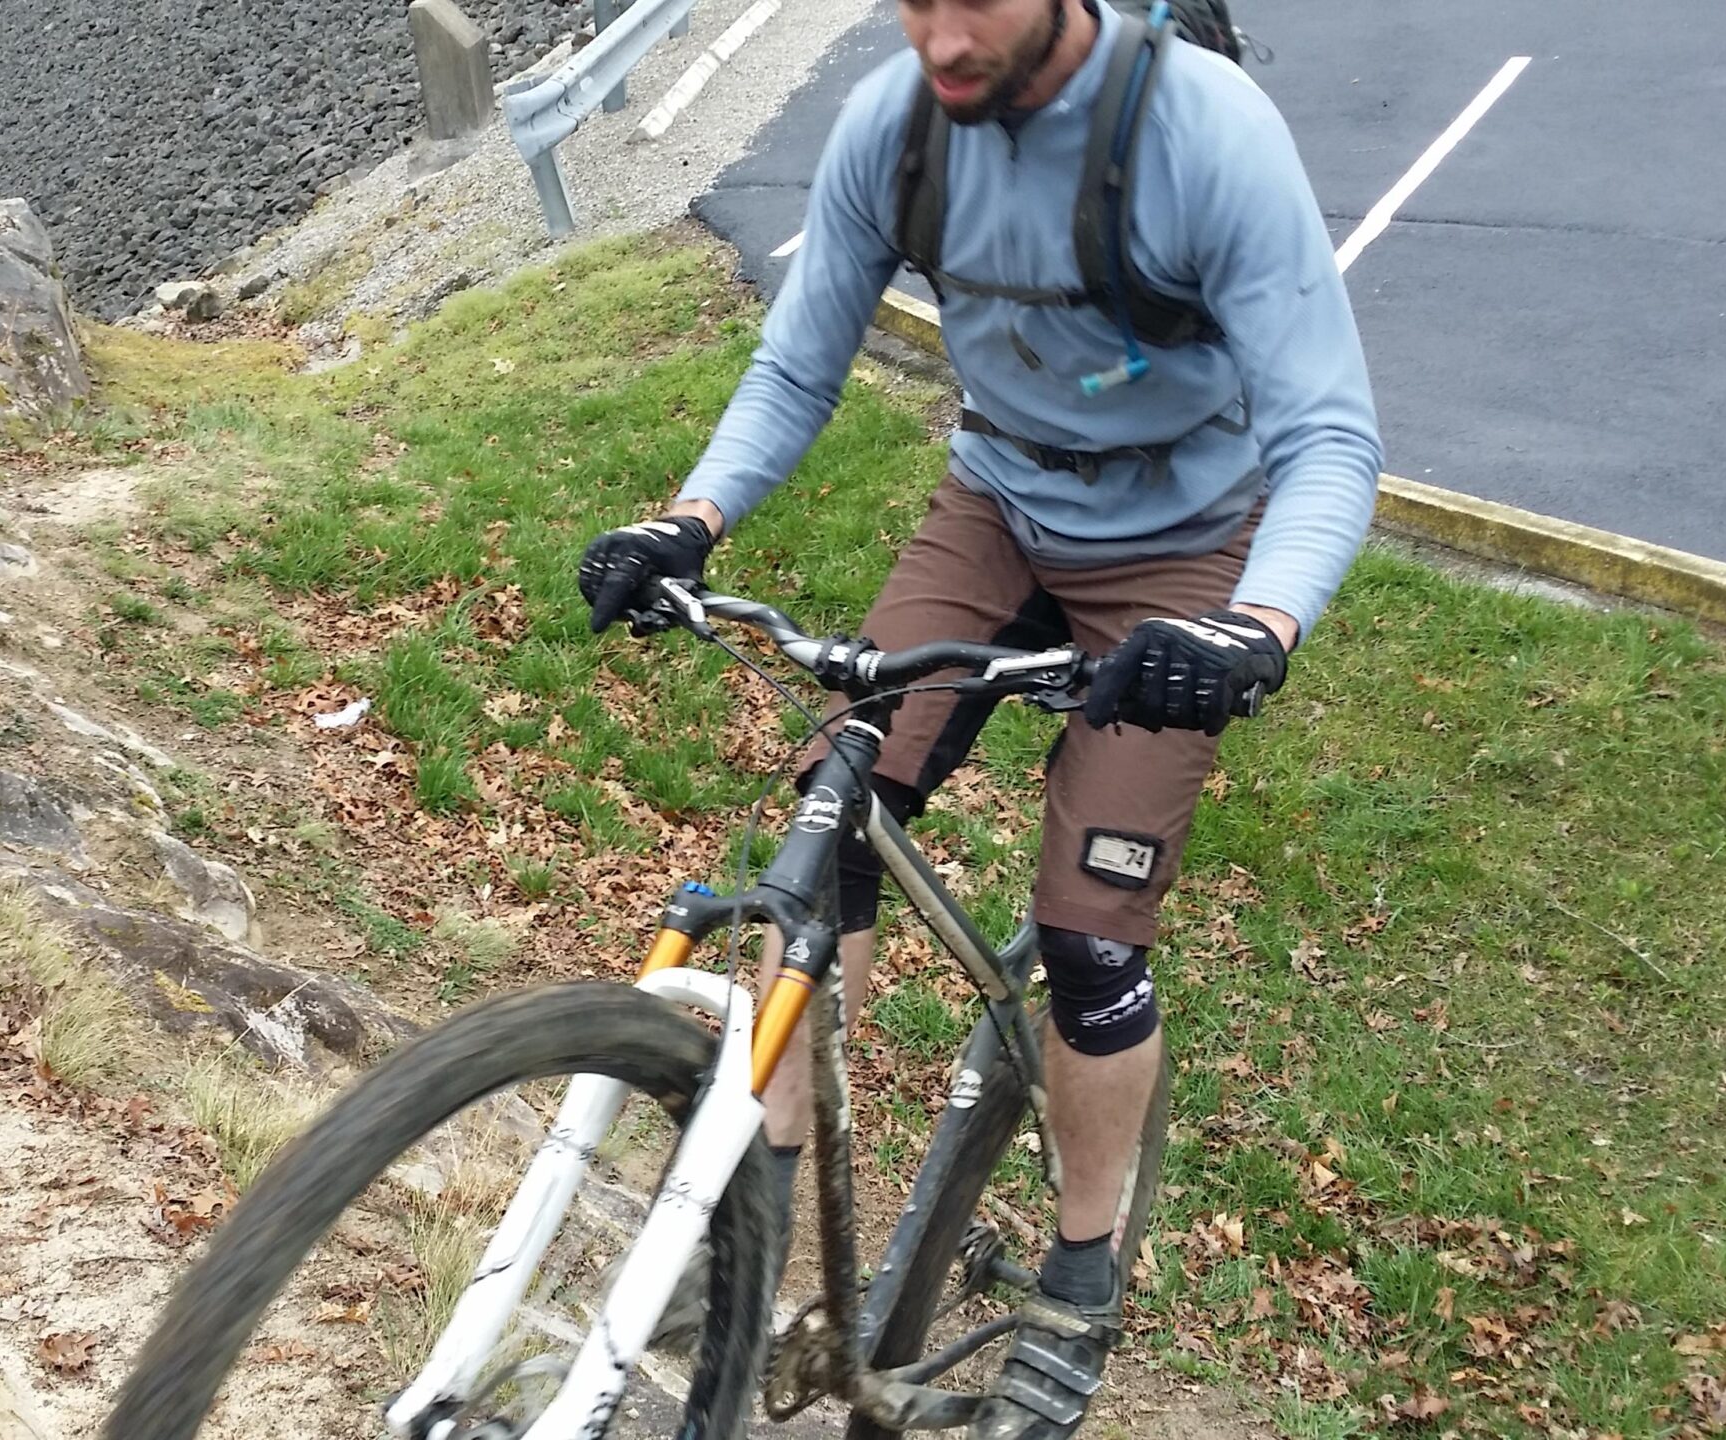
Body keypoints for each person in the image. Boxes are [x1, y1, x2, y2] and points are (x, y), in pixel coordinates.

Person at [576, 0, 1381, 1434]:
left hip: (1186, 546)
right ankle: (753, 1224)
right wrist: (686, 520)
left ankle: (1078, 1280)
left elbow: (1330, 435)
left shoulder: (1204, 137)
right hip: (1000, 501)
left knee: (1087, 936)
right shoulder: (895, 130)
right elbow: (796, 363)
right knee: (830, 832)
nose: (940, 36)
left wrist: (1254, 628)